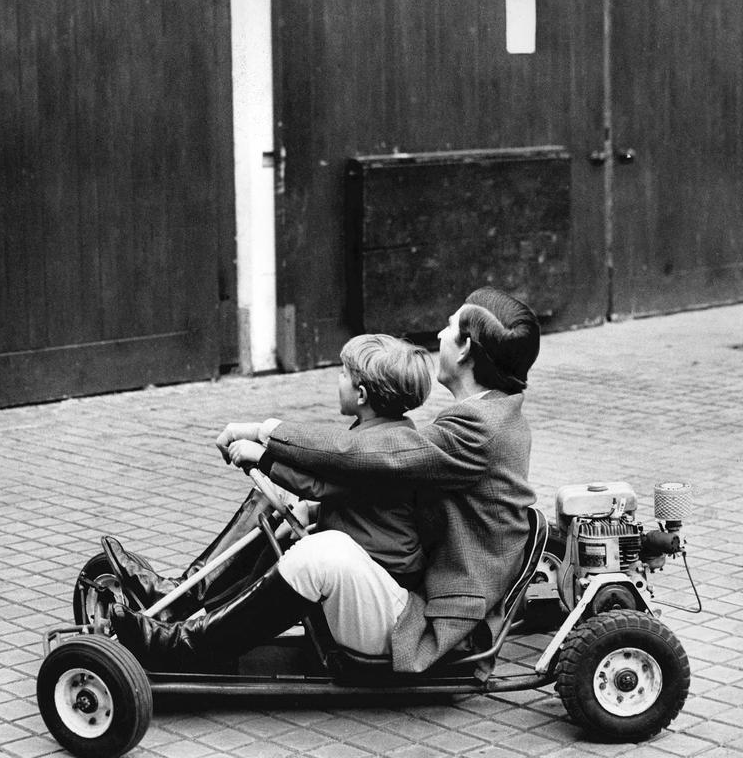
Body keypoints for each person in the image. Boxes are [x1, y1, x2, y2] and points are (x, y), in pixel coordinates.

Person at [110, 287, 540, 676]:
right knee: (291, 505)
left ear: (465, 349)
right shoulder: (490, 416)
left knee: (321, 554)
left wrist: (265, 432)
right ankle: (178, 601)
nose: (441, 334)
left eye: (449, 327)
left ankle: (185, 649)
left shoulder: (481, 428)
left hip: (432, 626)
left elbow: (364, 456)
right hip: (411, 591)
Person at [101, 334, 434, 622]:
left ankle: (194, 610)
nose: (337, 378)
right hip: (367, 552)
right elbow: (337, 478)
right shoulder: (385, 432)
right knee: (274, 518)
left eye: (343, 374)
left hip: (378, 575)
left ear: (361, 395)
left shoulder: (379, 449)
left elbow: (319, 484)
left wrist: (262, 457)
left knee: (279, 540)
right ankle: (184, 597)